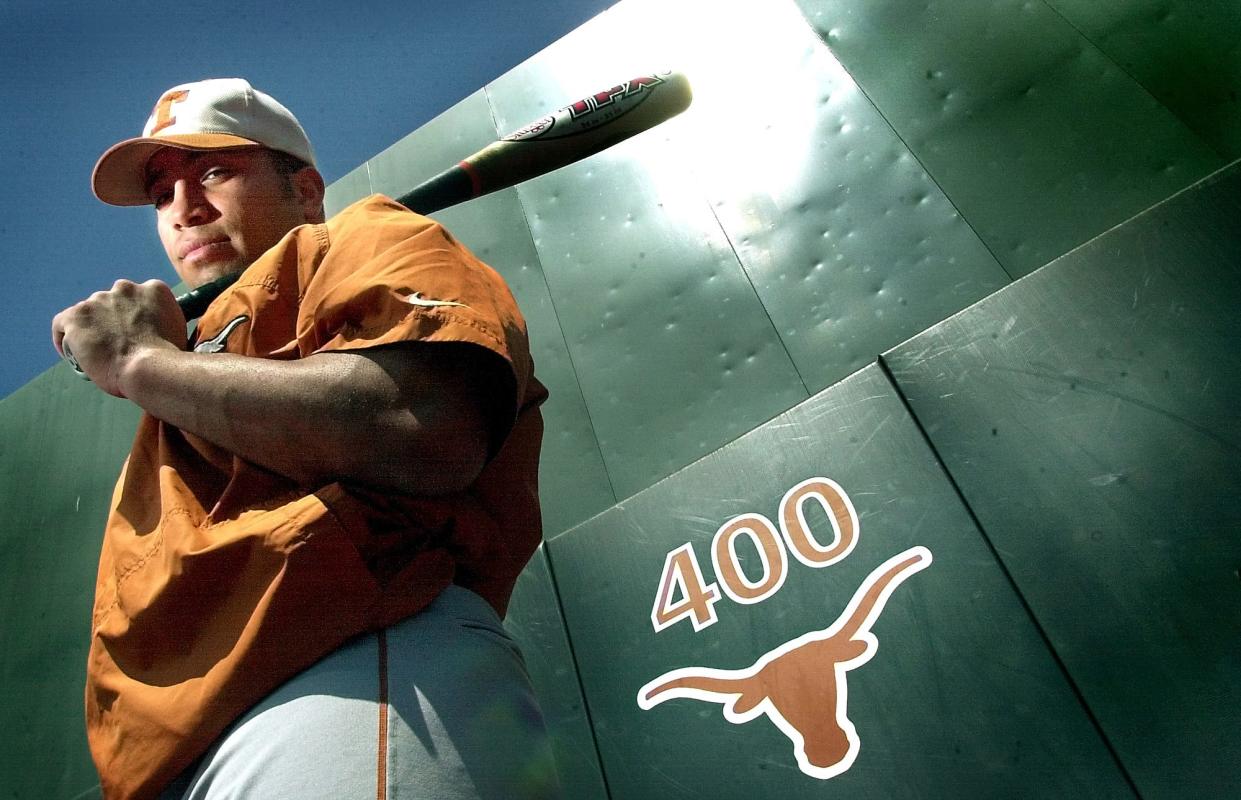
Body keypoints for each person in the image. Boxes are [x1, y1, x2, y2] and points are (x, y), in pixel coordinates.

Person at [51, 78, 558, 800]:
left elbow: (419, 427)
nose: (184, 209)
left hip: (350, 670)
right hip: (172, 750)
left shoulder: (361, 236)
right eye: (162, 193)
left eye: (215, 172)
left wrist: (139, 363)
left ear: (306, 188)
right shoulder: (185, 357)